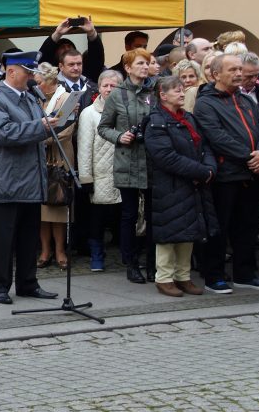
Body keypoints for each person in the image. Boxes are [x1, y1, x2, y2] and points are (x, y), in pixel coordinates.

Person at [0, 51, 58, 305]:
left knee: (28, 236)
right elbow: (4, 134)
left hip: (31, 178)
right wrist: (42, 127)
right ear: (11, 71)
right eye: (27, 72)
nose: (31, 77)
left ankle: (27, 283)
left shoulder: (30, 98)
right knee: (4, 239)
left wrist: (62, 120)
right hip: (8, 179)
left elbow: (38, 131)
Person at [194, 54, 259, 293]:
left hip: (251, 175)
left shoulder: (246, 100)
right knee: (219, 228)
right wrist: (251, 157)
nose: (239, 74)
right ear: (216, 74)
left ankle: (245, 273)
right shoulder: (206, 103)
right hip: (225, 176)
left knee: (248, 227)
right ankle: (214, 275)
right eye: (233, 70)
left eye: (240, 69)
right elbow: (217, 137)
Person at [144, 76, 216, 297]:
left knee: (188, 231)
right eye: (176, 91)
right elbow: (165, 157)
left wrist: (209, 169)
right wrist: (200, 171)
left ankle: (183, 276)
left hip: (192, 184)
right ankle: (164, 278)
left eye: (183, 90)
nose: (182, 94)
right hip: (170, 185)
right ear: (163, 95)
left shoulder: (188, 119)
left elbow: (204, 147)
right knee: (169, 233)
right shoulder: (156, 121)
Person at [98, 48, 155, 284]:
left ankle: (153, 264)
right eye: (140, 63)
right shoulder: (117, 95)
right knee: (129, 214)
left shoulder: (156, 91)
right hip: (128, 159)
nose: (145, 66)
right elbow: (103, 127)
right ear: (128, 67)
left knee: (154, 214)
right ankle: (130, 262)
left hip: (152, 160)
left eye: (148, 63)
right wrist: (120, 136)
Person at [77, 70, 123, 271]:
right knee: (97, 218)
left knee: (124, 216)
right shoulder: (89, 113)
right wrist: (86, 178)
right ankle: (97, 254)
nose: (108, 89)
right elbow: (84, 147)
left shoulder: (126, 111)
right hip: (101, 173)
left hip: (123, 172)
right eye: (105, 85)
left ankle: (127, 255)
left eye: (113, 86)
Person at [34, 63, 73, 270]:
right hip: (40, 161)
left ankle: (59, 250)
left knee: (58, 206)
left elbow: (66, 129)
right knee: (42, 209)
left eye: (40, 83)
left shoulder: (66, 98)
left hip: (59, 158)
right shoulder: (36, 99)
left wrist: (40, 139)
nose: (37, 87)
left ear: (50, 81)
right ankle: (45, 250)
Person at [36, 16, 105, 83]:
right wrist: (58, 33)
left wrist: (91, 32)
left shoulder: (86, 76)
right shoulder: (51, 79)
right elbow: (41, 59)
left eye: (69, 46)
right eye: (71, 64)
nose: (67, 49)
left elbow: (96, 57)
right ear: (61, 66)